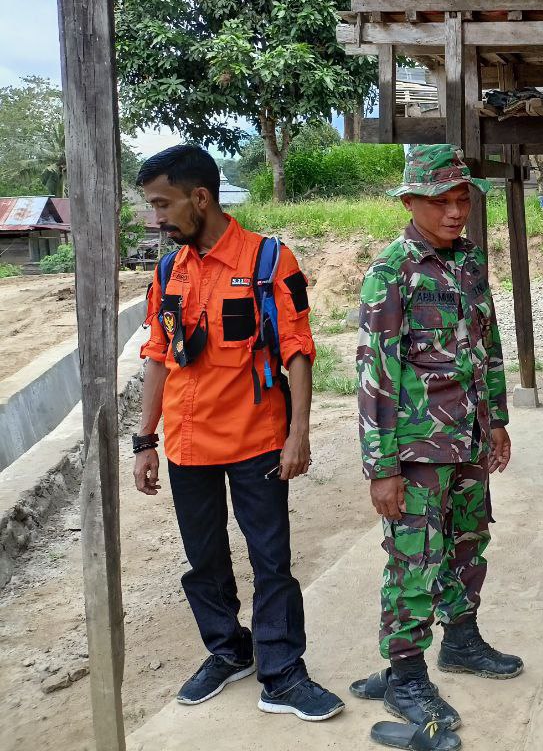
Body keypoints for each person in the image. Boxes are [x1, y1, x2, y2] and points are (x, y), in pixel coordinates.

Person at [133, 144, 344, 722]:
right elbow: (158, 354)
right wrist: (145, 440)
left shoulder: (270, 261)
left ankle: (283, 674)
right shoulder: (168, 269)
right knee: (203, 559)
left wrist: (298, 434)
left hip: (257, 443)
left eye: (162, 204)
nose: (158, 218)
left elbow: (297, 350)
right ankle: (228, 651)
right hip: (186, 444)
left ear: (199, 197)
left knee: (271, 560)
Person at [350, 144, 522, 739]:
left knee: (469, 543)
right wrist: (381, 467)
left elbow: (487, 343)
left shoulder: (470, 262)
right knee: (414, 558)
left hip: (469, 438)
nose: (455, 212)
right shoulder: (391, 271)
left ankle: (463, 641)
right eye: (440, 202)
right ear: (410, 202)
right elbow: (375, 374)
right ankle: (404, 672)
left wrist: (496, 419)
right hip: (416, 450)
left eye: (461, 200)